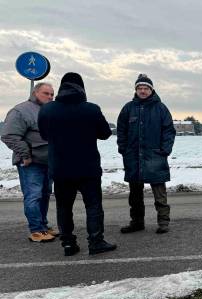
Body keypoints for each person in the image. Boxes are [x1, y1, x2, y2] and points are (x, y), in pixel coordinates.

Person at [38, 72, 117, 256]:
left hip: (60, 167)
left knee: (64, 206)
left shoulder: (48, 110)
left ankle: (68, 244)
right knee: (93, 205)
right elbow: (105, 133)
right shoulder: (91, 109)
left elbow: (44, 135)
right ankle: (96, 241)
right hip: (87, 167)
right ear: (82, 88)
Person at [116, 74, 176, 234]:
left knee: (159, 193)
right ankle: (137, 222)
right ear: (136, 90)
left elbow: (169, 130)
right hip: (133, 157)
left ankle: (163, 222)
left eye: (146, 88)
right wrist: (123, 148)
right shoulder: (128, 108)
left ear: (151, 90)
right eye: (140, 88)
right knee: (135, 195)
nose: (143, 91)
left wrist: (165, 149)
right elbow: (121, 130)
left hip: (155, 157)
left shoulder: (161, 108)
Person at [2, 82, 57, 242]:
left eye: (52, 94)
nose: (50, 97)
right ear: (35, 93)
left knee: (45, 194)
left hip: (48, 161)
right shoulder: (21, 110)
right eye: (46, 93)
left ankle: (43, 226)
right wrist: (25, 155)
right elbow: (9, 135)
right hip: (30, 163)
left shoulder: (49, 111)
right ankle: (36, 230)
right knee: (33, 195)